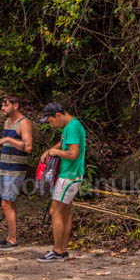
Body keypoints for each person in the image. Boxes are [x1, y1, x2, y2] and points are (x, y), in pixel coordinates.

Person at [37, 102, 86, 262]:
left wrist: (55, 152)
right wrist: (50, 149)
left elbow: (73, 153)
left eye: (50, 120)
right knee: (64, 212)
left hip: (69, 175)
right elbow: (64, 142)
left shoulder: (72, 127)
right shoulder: (71, 126)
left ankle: (57, 251)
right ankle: (63, 250)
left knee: (54, 211)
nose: (51, 124)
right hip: (70, 175)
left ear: (57, 115)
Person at [0, 94, 32, 251]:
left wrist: (8, 140)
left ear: (16, 106)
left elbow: (28, 147)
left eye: (6, 105)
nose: (2, 108)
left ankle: (13, 239)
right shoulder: (7, 122)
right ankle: (10, 236)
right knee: (7, 202)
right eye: (2, 105)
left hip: (15, 169)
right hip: (3, 167)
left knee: (6, 203)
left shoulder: (24, 123)